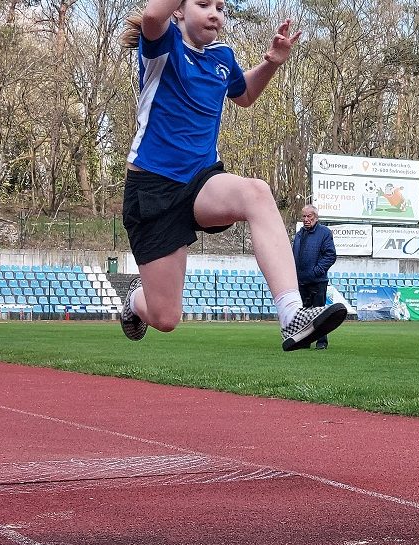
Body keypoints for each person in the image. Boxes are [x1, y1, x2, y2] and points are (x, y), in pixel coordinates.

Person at [117, 0, 346, 351]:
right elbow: (151, 15)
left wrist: (272, 62)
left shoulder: (222, 56)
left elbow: (246, 95)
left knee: (256, 192)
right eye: (203, 4)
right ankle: (135, 300)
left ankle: (292, 314)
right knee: (165, 317)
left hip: (201, 181)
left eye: (221, 8)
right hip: (153, 188)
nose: (215, 13)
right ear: (178, 10)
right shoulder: (162, 45)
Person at [292, 204, 337, 349]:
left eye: (309, 216)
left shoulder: (324, 233)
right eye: (304, 216)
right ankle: (305, 341)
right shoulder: (299, 234)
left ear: (316, 217)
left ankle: (321, 342)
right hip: (301, 281)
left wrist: (316, 271)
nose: (306, 219)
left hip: (317, 281)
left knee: (319, 313)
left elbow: (330, 255)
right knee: (303, 314)